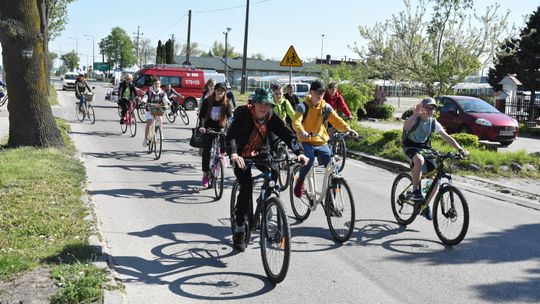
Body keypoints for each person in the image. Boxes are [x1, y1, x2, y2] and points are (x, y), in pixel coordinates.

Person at [227, 88, 308, 252]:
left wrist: (299, 152)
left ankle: (266, 200)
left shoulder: (271, 116)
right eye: (260, 103)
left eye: (267, 104)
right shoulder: (244, 114)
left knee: (274, 172)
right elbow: (231, 135)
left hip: (260, 154)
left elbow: (287, 134)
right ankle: (240, 229)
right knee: (246, 186)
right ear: (254, 103)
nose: (264, 107)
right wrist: (234, 153)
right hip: (242, 155)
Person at [402, 97, 469, 220]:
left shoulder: (433, 122)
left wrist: (460, 149)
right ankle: (415, 191)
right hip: (410, 147)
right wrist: (415, 115)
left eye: (432, 109)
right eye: (427, 108)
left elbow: (446, 137)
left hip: (425, 149)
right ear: (421, 107)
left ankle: (425, 206)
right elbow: (406, 127)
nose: (429, 111)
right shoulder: (415, 118)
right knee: (419, 160)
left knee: (435, 180)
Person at [292, 80, 358, 198]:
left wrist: (348, 129)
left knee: (332, 167)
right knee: (309, 159)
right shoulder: (303, 106)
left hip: (320, 140)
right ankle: (300, 181)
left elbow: (337, 120)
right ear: (311, 92)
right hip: (305, 140)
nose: (320, 95)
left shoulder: (325, 107)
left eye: (322, 93)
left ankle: (332, 200)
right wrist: (301, 131)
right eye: (318, 92)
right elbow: (296, 121)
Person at [198, 82, 234, 187]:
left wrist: (231, 126)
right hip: (208, 129)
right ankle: (205, 175)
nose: (220, 93)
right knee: (207, 152)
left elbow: (230, 116)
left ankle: (220, 159)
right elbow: (202, 116)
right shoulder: (207, 101)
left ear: (225, 92)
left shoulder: (226, 103)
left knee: (224, 148)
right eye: (218, 90)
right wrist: (202, 126)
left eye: (222, 91)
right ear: (215, 91)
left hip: (221, 128)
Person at [141, 79, 171, 147]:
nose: (157, 85)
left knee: (160, 119)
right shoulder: (149, 91)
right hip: (149, 109)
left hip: (157, 109)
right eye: (156, 84)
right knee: (149, 122)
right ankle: (145, 139)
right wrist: (143, 101)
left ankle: (160, 133)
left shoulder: (162, 92)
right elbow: (145, 97)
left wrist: (168, 102)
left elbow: (165, 99)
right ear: (153, 85)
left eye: (158, 84)